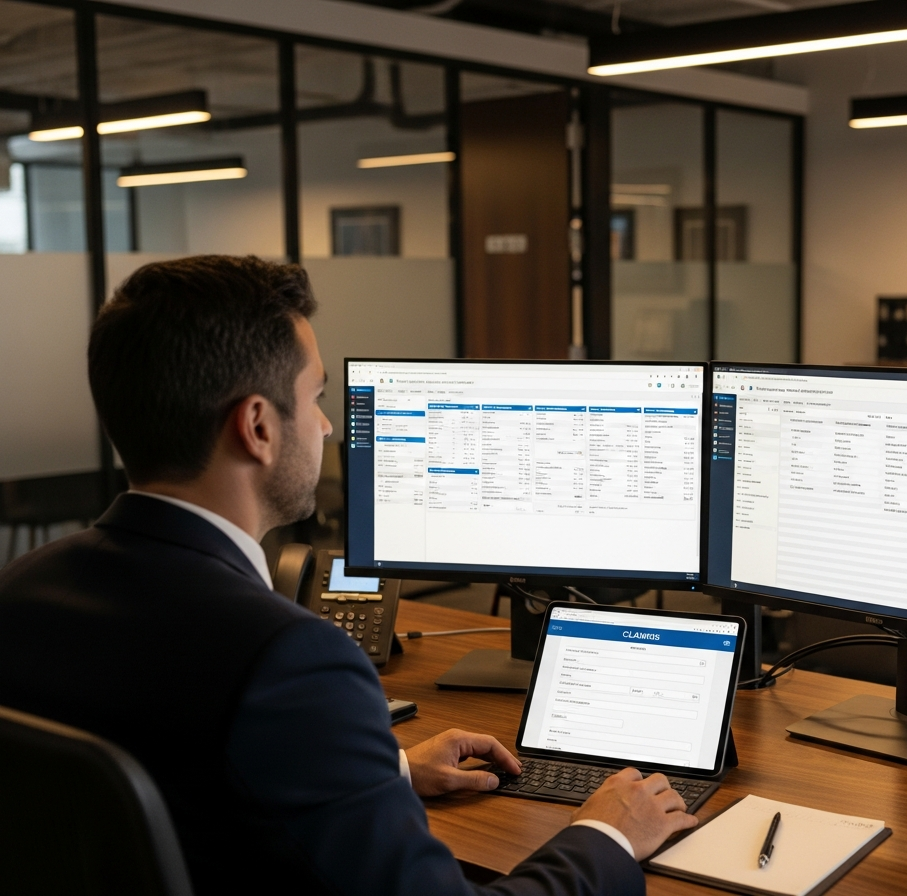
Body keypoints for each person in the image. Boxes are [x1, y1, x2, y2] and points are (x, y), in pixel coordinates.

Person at [0, 255, 697, 894]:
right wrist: (606, 833)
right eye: (316, 397)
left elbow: (173, 768)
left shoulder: (22, 590)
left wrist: (386, 772)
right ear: (257, 427)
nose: (328, 426)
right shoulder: (290, 661)